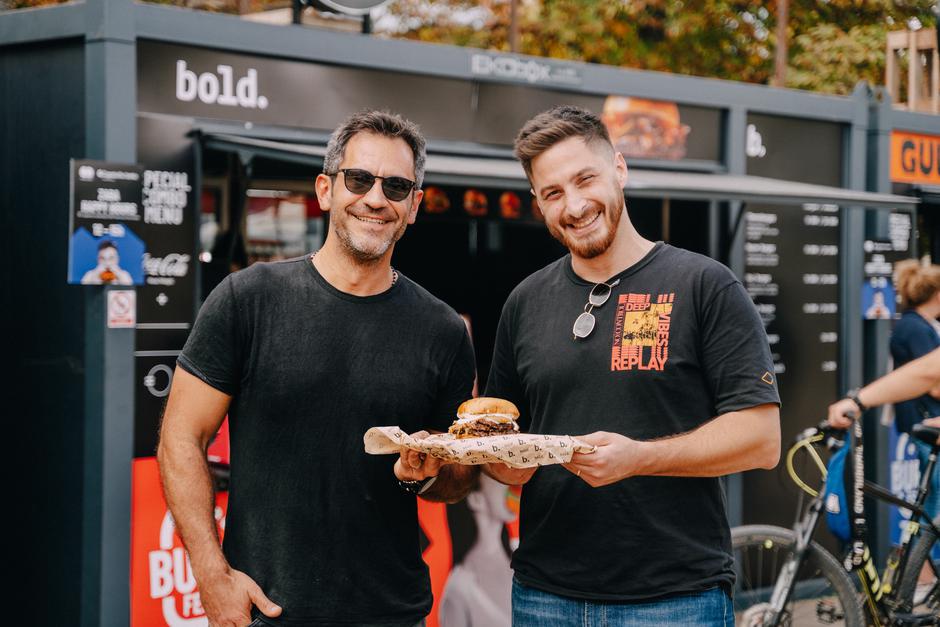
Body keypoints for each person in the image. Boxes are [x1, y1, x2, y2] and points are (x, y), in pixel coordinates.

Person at [157, 110, 479, 627]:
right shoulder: (248, 300)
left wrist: (425, 476)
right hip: (265, 612)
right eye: (359, 179)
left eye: (397, 186)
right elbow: (180, 436)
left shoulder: (442, 330)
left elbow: (459, 476)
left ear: (414, 206)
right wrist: (211, 573)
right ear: (326, 189)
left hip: (392, 614)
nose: (376, 198)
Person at [482, 105, 781, 625]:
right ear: (538, 203)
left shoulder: (705, 286)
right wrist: (504, 462)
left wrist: (638, 457)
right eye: (553, 193)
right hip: (544, 596)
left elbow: (761, 439)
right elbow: (507, 448)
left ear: (619, 169)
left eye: (585, 179)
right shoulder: (524, 302)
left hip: (675, 599)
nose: (574, 206)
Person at [439, 473, 515, 627]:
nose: (512, 480)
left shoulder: (524, 554)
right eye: (497, 476)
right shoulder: (458, 590)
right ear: (475, 499)